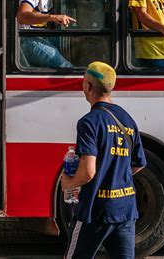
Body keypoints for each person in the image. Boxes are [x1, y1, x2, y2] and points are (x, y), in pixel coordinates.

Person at [61, 61, 147, 258]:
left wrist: (70, 183)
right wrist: (115, 175)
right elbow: (139, 163)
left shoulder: (89, 122)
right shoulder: (127, 120)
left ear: (88, 87)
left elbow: (88, 172)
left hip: (96, 210)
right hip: (126, 208)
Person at [16, 0, 76, 68]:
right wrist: (52, 17)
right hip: (29, 40)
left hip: (44, 35)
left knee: (78, 43)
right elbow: (22, 16)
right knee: (66, 67)